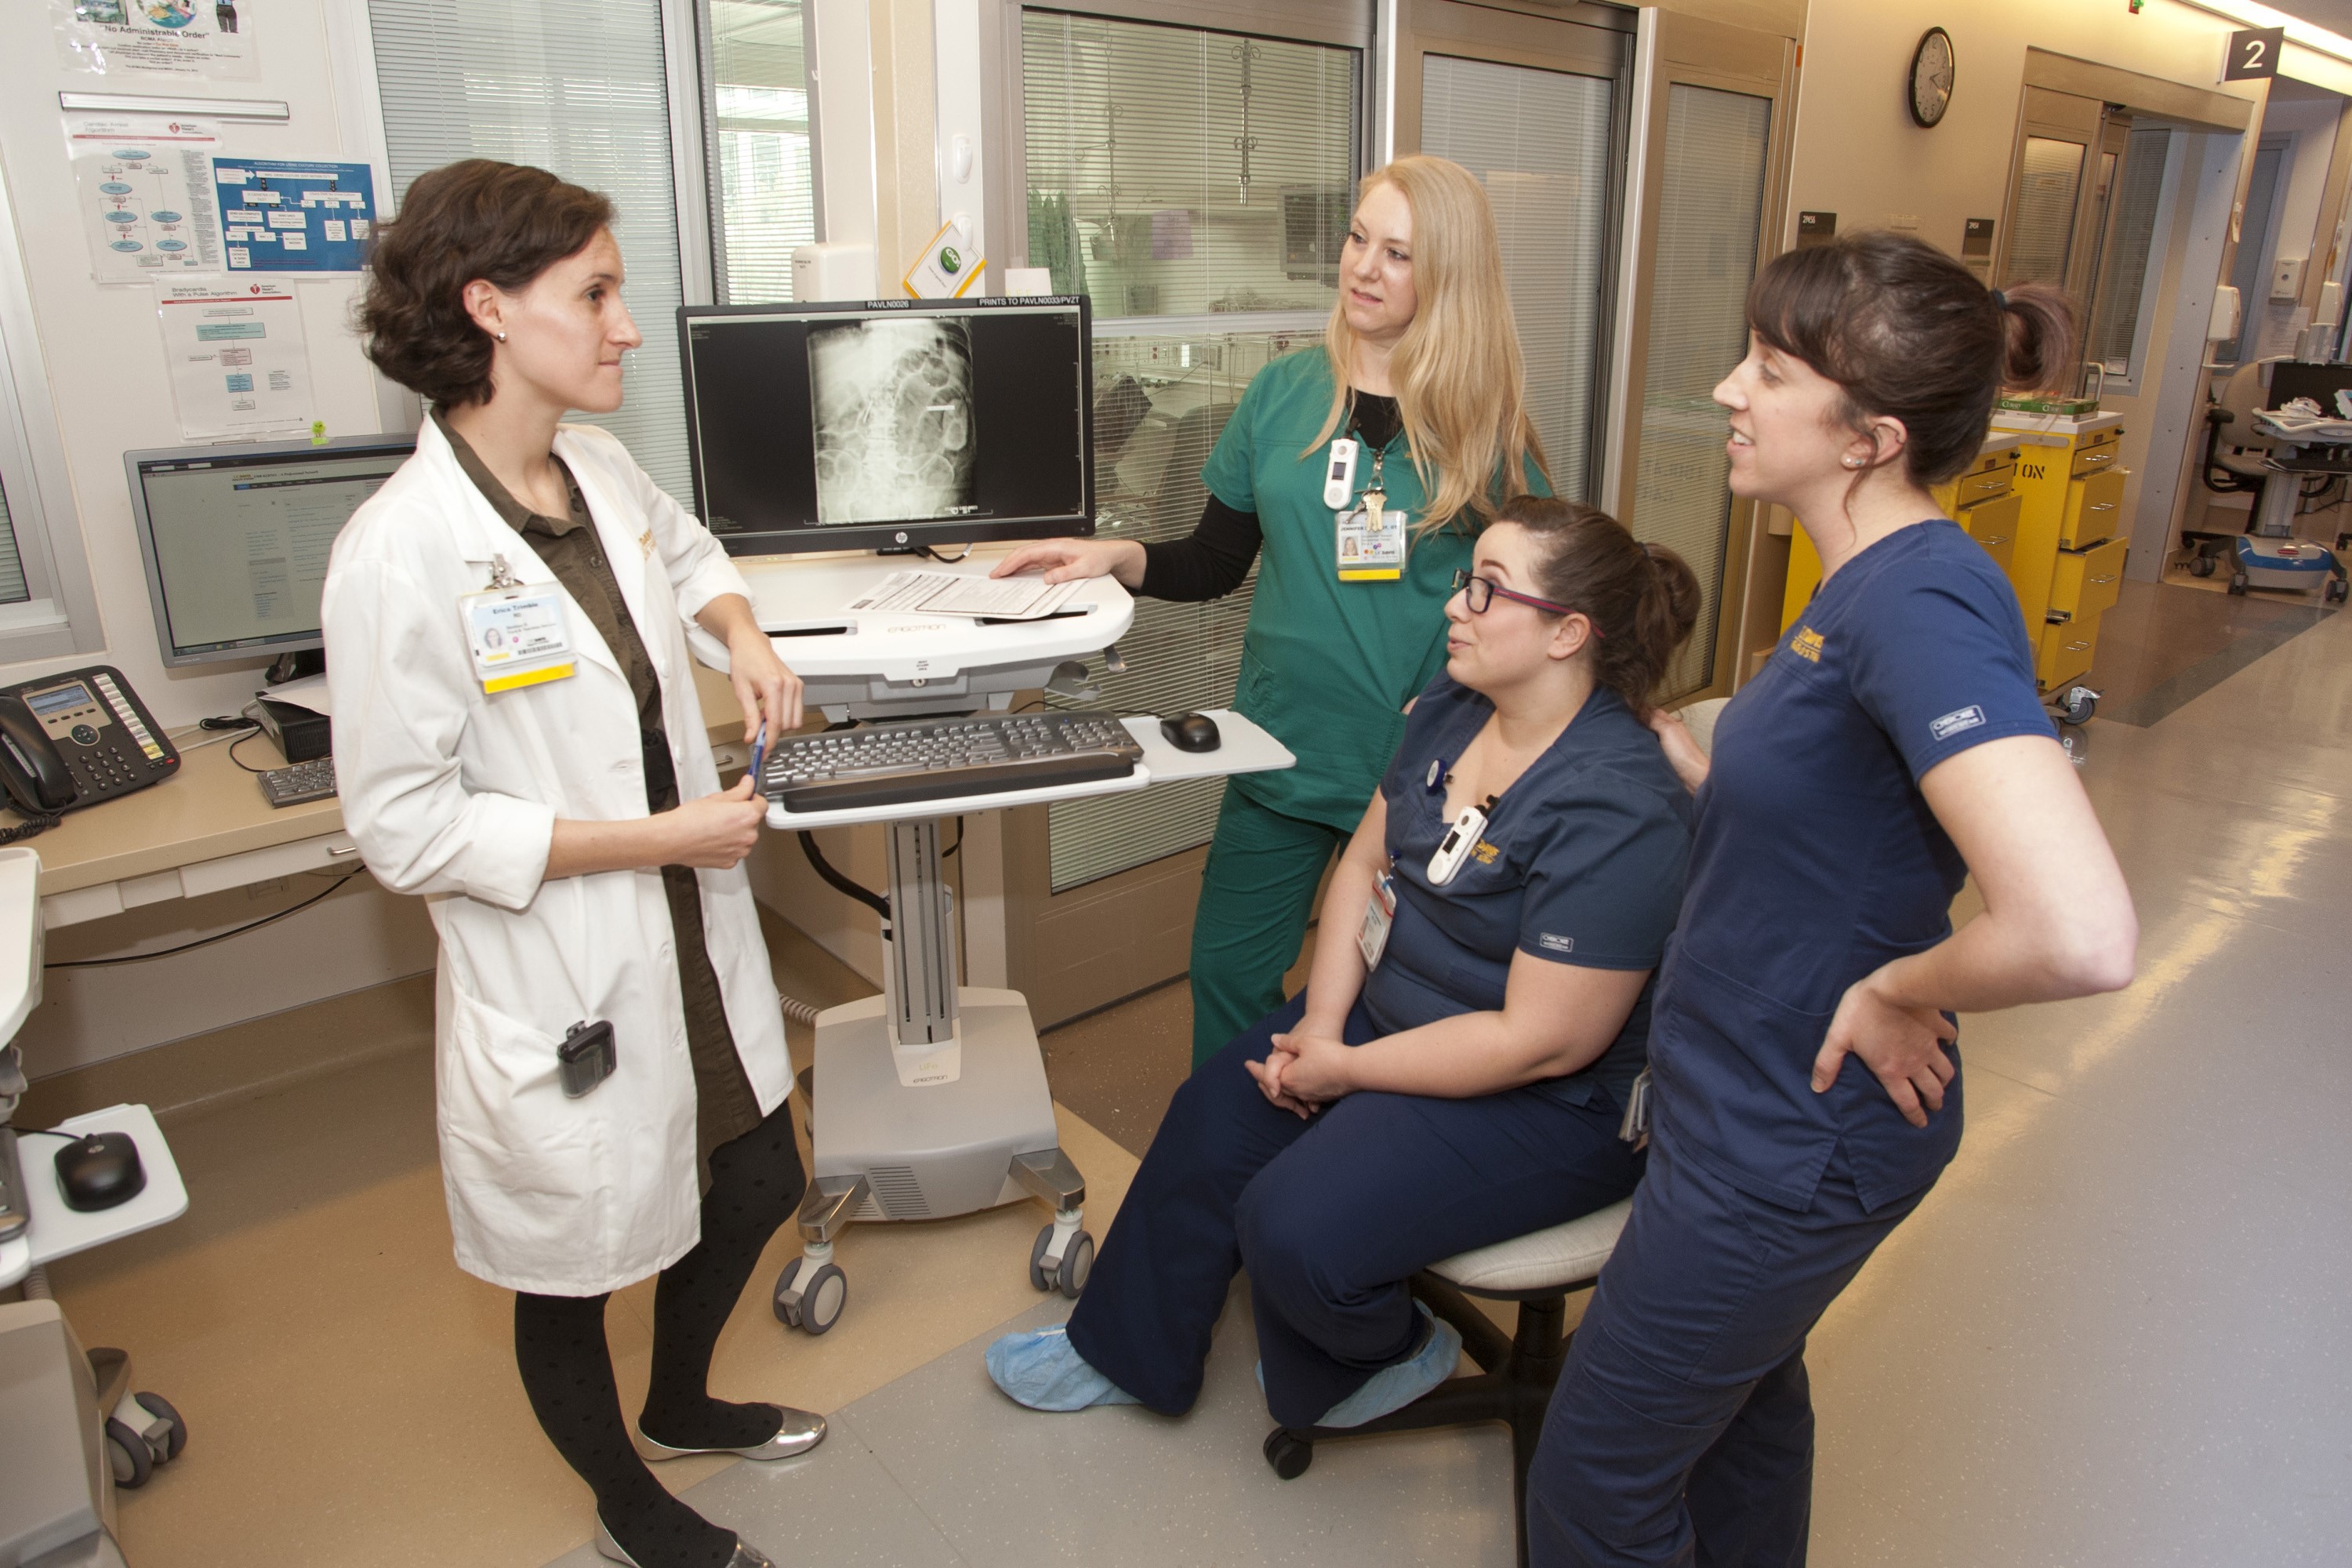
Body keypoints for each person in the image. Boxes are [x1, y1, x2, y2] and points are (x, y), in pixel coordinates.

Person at [1524, 233, 2140, 1566]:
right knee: (1746, 1421)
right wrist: (1694, 754)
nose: (1728, 389)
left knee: (1594, 1488)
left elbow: (2082, 931)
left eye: (1770, 368)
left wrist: (1895, 982)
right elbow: (1845, 800)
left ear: (1870, 437)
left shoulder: (1918, 603)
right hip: (1739, 1099)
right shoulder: (1856, 582)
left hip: (1787, 1142)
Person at [325, 160, 814, 1568]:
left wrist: (746, 633)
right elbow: (403, 826)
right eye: (594, 294)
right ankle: (629, 1501)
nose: (626, 326)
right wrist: (657, 838)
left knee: (759, 1179)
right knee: (575, 1260)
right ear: (489, 307)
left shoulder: (592, 470)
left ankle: (679, 1397)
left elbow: (685, 549)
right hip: (567, 956)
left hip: (683, 924)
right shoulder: (397, 556)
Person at [984, 499, 1698, 1431]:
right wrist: (1319, 1025)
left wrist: (1346, 1069)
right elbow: (1365, 861)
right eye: (1464, 580)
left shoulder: (1619, 803)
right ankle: (1125, 1349)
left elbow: (1542, 1041)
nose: (1455, 606)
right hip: (1400, 1018)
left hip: (1548, 1102)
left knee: (1292, 1221)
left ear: (1568, 632)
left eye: (1487, 589)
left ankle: (1391, 1345)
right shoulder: (1453, 702)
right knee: (1215, 1112)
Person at [991, 154, 1552, 1067]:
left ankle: (1335, 1165)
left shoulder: (1483, 425)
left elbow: (1527, 598)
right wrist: (1113, 557)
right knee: (1227, 973)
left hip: (1421, 768)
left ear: (1447, 274)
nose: (1364, 267)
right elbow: (1216, 560)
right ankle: (1232, 1152)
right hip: (1284, 748)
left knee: (1392, 993)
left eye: (1399, 253)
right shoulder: (1283, 394)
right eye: (1358, 239)